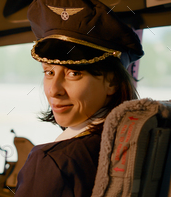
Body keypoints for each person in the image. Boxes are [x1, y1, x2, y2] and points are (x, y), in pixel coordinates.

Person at [14, 0, 144, 196]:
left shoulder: (53, 161)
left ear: (113, 83)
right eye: (49, 72)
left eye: (74, 73)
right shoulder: (135, 142)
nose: (53, 90)